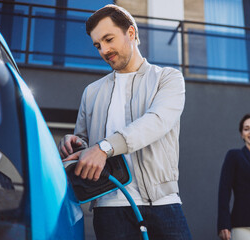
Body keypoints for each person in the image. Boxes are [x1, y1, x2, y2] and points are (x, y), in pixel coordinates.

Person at [57, 4, 192, 240]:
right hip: (108, 209)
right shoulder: (91, 92)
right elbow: (86, 140)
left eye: (109, 39)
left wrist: (103, 148)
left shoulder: (168, 78)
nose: (104, 50)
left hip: (162, 205)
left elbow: (157, 121)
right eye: (98, 45)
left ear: (131, 33)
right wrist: (76, 143)